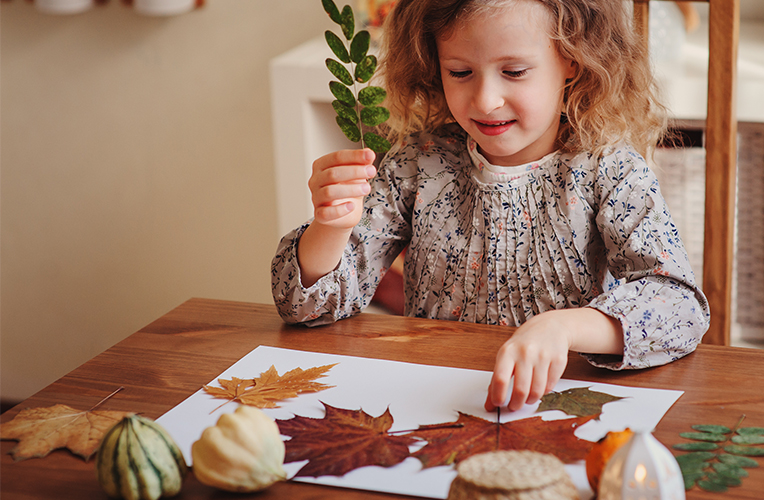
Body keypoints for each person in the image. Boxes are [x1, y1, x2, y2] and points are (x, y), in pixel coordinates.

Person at [272, 0, 709, 412]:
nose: (485, 100)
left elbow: (680, 308)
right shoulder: (416, 164)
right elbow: (304, 308)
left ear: (573, 60)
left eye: (514, 71)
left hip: (561, 402)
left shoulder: (609, 171)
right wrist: (330, 228)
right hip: (430, 399)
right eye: (460, 72)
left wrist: (562, 328)